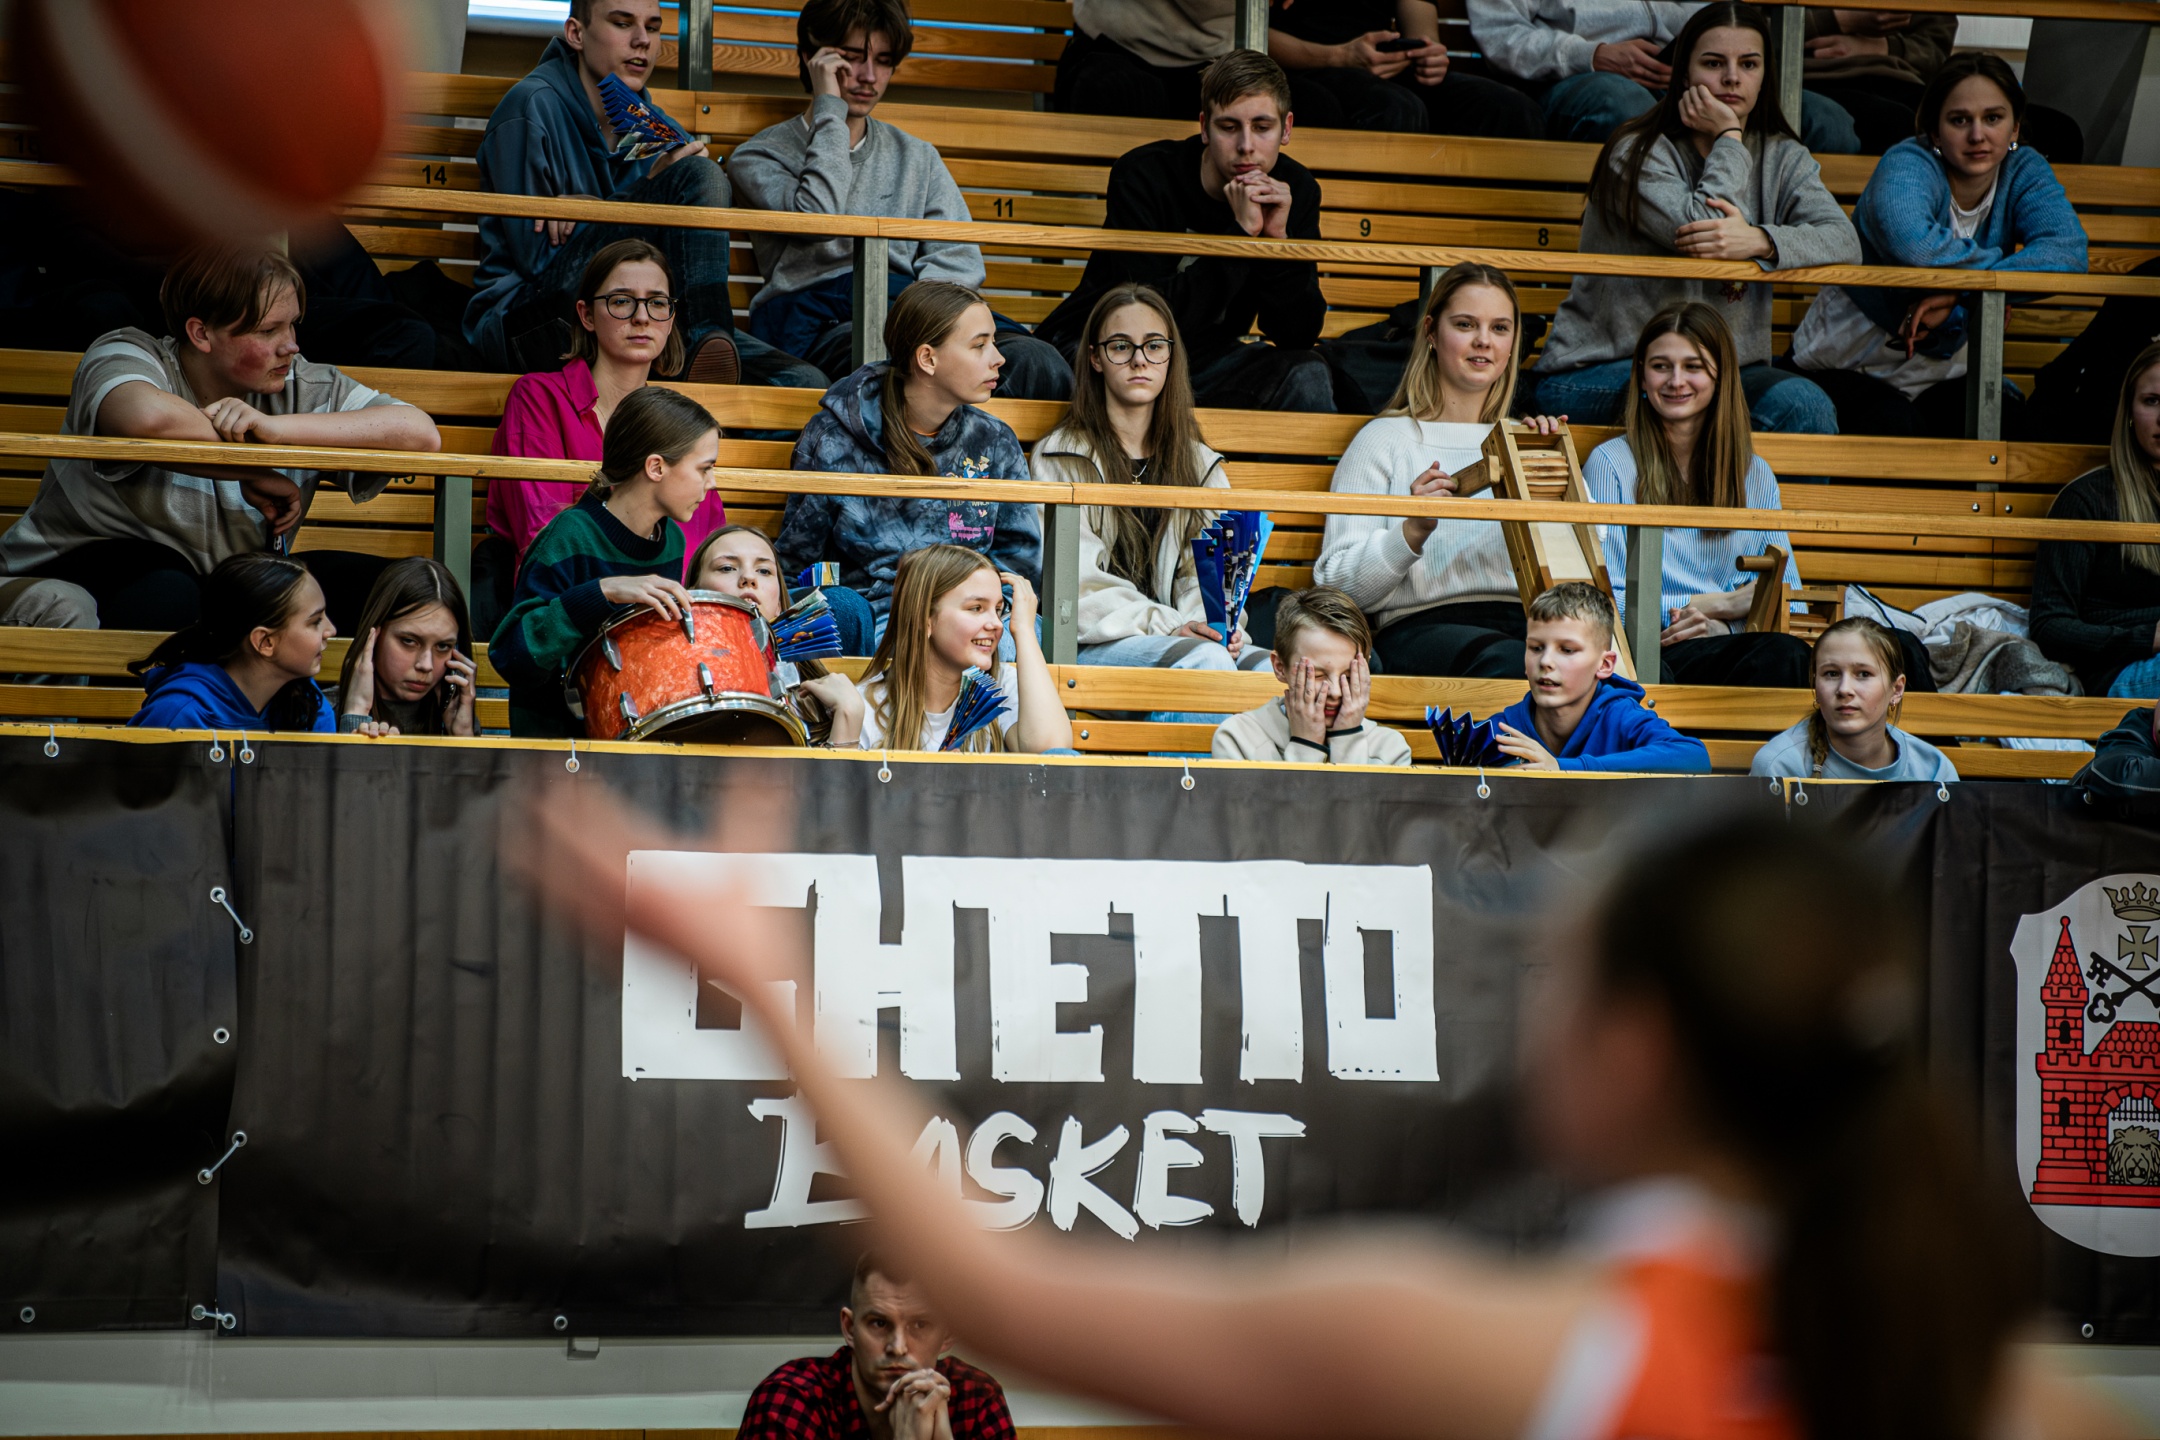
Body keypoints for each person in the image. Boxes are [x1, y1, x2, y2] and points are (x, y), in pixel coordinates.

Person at [527, 778, 2099, 1440]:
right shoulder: (2016, 1392)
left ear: (1633, 1053)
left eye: (1553, 974)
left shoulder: (1531, 1351)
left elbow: (1003, 1290)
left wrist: (769, 985)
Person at [0, 243, 443, 634]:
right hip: (69, 569)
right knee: (170, 591)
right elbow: (145, 418)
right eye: (268, 331)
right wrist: (253, 468)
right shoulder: (127, 352)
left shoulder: (302, 383)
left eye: (293, 324)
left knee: (410, 593)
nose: (290, 345)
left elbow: (419, 434)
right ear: (201, 334)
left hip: (222, 588)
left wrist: (276, 431)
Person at [1528, 3, 1857, 434]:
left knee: (1805, 407)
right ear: (1684, 75)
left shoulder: (1783, 157)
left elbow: (1844, 241)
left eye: (1749, 64)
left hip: (1724, 370)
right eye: (1714, 63)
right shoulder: (1635, 151)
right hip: (1604, 368)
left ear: (1765, 75)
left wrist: (1759, 241)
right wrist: (1729, 137)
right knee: (1693, 399)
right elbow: (1702, 224)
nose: (1732, 78)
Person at [725, 0, 1072, 401]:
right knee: (887, 366)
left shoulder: (917, 156)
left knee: (1039, 363)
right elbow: (820, 217)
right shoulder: (759, 157)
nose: (869, 76)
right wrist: (830, 109)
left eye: (884, 61)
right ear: (812, 59)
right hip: (824, 323)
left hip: (919, 312)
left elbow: (957, 259)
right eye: (852, 58)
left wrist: (926, 324)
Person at [463, 0, 816, 387]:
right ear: (576, 34)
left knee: (803, 382)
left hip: (639, 317)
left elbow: (678, 264)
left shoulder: (655, 126)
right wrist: (644, 193)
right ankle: (700, 344)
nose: (642, 40)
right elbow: (536, 259)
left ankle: (701, 348)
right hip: (532, 323)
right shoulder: (530, 107)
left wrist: (597, 209)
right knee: (700, 174)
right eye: (622, 23)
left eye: (653, 27)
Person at [1789, 53, 2087, 440]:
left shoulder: (2024, 169)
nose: (1977, 135)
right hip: (1844, 362)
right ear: (1933, 130)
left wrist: (1960, 292)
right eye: (1959, 120)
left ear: (2015, 126)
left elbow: (2067, 252)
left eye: (1993, 118)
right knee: (1893, 427)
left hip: (1942, 374)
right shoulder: (1906, 164)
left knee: (2014, 427)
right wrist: (1992, 281)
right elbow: (1916, 247)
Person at [1035, 51, 1333, 414]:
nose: (1246, 146)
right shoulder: (1146, 176)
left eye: (1262, 127)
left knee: (1307, 374)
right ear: (1204, 127)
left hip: (1204, 358)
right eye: (1228, 127)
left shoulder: (1294, 191)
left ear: (1286, 129)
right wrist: (1240, 236)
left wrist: (1277, 243)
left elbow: (1297, 334)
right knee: (1135, 372)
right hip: (1106, 348)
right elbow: (1141, 319)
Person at [1032, 284, 1271, 724]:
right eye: (1121, 346)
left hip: (1178, 639)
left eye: (1154, 346)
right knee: (1206, 663)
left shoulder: (1199, 464)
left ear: (1171, 357)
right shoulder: (1061, 456)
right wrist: (1173, 628)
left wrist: (1212, 626)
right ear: (1095, 358)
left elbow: (1208, 576)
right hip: (1087, 644)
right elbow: (1079, 588)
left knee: (1275, 675)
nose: (1139, 359)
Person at [1316, 264, 1568, 679]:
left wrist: (1551, 464)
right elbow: (1338, 591)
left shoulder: (1528, 440)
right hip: (1420, 629)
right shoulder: (1384, 439)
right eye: (1466, 324)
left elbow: (1586, 569)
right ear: (1431, 332)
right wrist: (1410, 531)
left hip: (1533, 624)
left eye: (1500, 328)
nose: (1483, 340)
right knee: (1519, 663)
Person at [778, 282, 1042, 629]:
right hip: (879, 621)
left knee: (1022, 637)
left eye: (993, 342)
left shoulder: (995, 440)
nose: (998, 358)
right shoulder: (834, 438)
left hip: (976, 618)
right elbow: (797, 562)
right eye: (979, 345)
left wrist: (984, 611)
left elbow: (1018, 564)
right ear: (927, 359)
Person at [1584, 302, 1813, 688]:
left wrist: (1724, 627)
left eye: (1693, 366)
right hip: (1650, 651)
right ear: (1641, 376)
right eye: (1661, 366)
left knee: (1886, 650)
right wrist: (1712, 605)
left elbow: (1792, 601)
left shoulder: (1754, 474)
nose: (1676, 381)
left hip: (1732, 644)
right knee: (1783, 657)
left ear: (1721, 377)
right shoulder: (1611, 463)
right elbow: (1600, 601)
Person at [491, 386, 717, 737]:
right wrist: (602, 593)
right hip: (557, 748)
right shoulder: (569, 536)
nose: (711, 483)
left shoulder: (672, 540)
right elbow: (511, 656)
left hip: (631, 742)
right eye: (704, 469)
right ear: (656, 467)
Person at [1466, 0, 1861, 151]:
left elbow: (1735, 15)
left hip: (1699, 69)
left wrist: (1707, 59)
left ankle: (1778, 252)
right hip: (1575, 77)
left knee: (1827, 122)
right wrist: (1592, 54)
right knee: (1626, 106)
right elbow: (1500, 35)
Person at [736, 1252, 1017, 1440]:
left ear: (947, 1335)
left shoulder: (976, 1399)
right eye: (879, 1324)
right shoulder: (789, 1399)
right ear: (850, 1328)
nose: (898, 1347)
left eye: (920, 1325)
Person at [2031, 342, 2160, 700]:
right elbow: (2049, 625)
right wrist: (2147, 636)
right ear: (2129, 411)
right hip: (2121, 670)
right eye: (2152, 401)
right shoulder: (2086, 499)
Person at [854, 545, 1072, 754]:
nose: (996, 624)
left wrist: (1024, 629)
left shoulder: (1001, 686)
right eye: (976, 608)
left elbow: (1053, 751)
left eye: (998, 609)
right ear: (924, 619)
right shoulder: (868, 707)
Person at [1489, 580, 1710, 772]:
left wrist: (1566, 768)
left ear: (1604, 665)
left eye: (1567, 650)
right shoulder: (1503, 729)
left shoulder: (1620, 716)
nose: (1545, 661)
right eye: (1536, 648)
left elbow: (1694, 757)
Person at [687, 525, 871, 744]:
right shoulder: (668, 681)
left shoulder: (820, 698)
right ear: (693, 594)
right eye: (727, 568)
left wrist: (848, 720)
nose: (748, 577)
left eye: (764, 571)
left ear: (779, 606)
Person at [126, 553, 339, 733]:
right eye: (316, 621)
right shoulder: (177, 715)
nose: (331, 631)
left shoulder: (307, 704)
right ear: (265, 642)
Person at [1264, 1, 1542, 138]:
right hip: (1302, 66)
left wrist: (1429, 54)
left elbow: (1422, 29)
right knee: (1394, 107)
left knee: (1510, 109)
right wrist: (1339, 56)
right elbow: (1249, 32)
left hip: (1381, 66)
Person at [1211, 586, 1410, 764]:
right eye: (1317, 675)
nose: (1335, 692)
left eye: (1348, 677)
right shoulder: (1237, 739)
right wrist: (1306, 746)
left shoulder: (1390, 749)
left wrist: (1348, 739)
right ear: (1280, 667)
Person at [1751, 615, 1956, 782]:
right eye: (1831, 673)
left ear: (1896, 689)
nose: (1844, 689)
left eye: (1863, 674)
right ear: (1815, 685)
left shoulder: (1933, 771)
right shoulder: (1780, 766)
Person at [333, 557, 479, 739]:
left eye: (442, 646)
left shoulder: (457, 716)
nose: (426, 665)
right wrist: (356, 712)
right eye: (409, 641)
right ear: (374, 635)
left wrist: (462, 737)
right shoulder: (320, 710)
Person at [1797, 8, 1956, 156]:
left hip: (1902, 78)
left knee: (1947, 123)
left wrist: (1886, 47)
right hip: (1814, 76)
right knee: (1901, 126)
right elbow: (1780, 29)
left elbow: (1936, 48)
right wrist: (1839, 19)